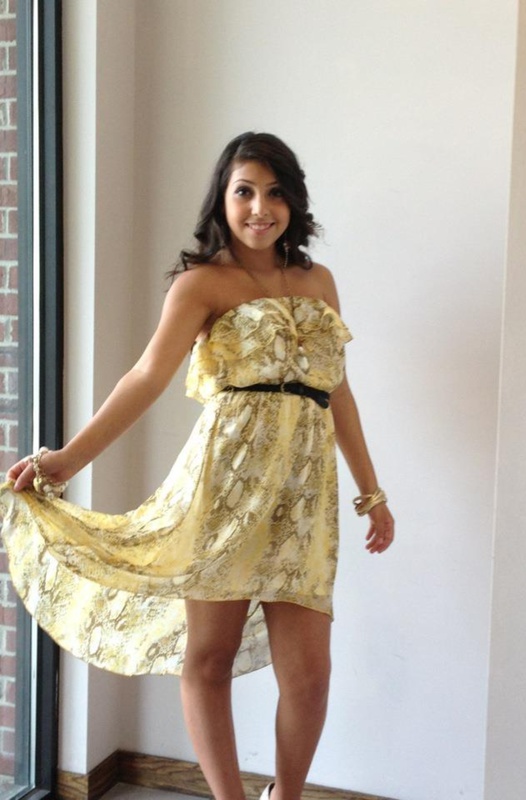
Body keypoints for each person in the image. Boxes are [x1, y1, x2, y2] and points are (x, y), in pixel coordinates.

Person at [1, 132, 394, 800]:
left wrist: (371, 492)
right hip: (225, 489)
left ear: (294, 201)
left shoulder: (318, 281)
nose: (260, 208)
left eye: (274, 193)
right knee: (209, 659)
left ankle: (284, 796)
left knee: (309, 678)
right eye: (245, 192)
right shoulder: (202, 283)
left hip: (304, 499)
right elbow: (146, 377)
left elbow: (339, 392)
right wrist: (66, 459)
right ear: (223, 200)